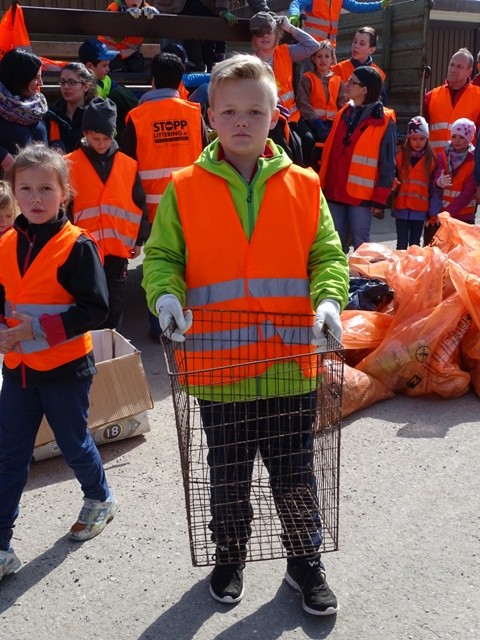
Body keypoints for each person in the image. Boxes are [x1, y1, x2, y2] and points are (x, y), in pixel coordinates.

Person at [142, 53, 349, 615]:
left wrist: (330, 300)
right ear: (209, 116)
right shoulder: (185, 188)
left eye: (255, 111)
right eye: (229, 110)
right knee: (228, 475)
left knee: (294, 472)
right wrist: (164, 296)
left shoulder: (304, 185)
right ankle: (230, 554)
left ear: (275, 115)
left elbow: (327, 256)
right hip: (220, 369)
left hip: (289, 365)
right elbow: (162, 257)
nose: (242, 121)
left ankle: (305, 561)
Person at [0, 144, 118, 581]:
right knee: (9, 455)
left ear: (64, 193)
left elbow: (96, 309)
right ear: (13, 193)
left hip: (65, 370)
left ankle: (99, 498)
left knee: (72, 443)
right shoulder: (5, 243)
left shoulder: (77, 246)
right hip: (18, 370)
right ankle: (1, 546)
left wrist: (33, 330)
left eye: (46, 189)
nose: (35, 198)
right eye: (26, 189)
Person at [122, 52, 209, 341]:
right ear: (180, 80)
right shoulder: (194, 114)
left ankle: (160, 325)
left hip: (150, 208)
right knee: (188, 261)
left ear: (152, 81)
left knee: (159, 263)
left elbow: (125, 167)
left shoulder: (136, 118)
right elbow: (207, 158)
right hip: (190, 202)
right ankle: (192, 320)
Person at [67, 97, 149, 330]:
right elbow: (64, 209)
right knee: (88, 299)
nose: (101, 143)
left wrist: (139, 240)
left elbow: (139, 204)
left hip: (116, 249)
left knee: (115, 300)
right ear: (85, 133)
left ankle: (113, 339)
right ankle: (91, 342)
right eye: (96, 139)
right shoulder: (69, 164)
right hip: (84, 248)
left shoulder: (128, 164)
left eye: (106, 138)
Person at [319, 66, 396, 252]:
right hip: (335, 190)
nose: (346, 84)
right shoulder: (343, 112)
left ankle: (360, 273)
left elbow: (387, 163)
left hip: (361, 196)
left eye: (352, 82)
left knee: (361, 246)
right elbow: (330, 151)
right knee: (334, 245)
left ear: (364, 90)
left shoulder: (385, 119)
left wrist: (379, 199)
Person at [250, 12, 319, 125]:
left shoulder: (286, 52)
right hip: (269, 120)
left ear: (276, 34)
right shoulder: (250, 63)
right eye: (260, 33)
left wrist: (290, 28)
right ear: (254, 38)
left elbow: (313, 46)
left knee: (309, 136)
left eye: (269, 31)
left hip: (293, 117)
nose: (265, 36)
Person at [390, 116, 440, 250]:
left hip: (419, 209)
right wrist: (392, 184)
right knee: (401, 244)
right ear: (409, 139)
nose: (418, 142)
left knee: (415, 245)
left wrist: (433, 213)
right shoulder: (400, 157)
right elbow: (392, 179)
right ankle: (400, 264)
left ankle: (412, 264)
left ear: (427, 139)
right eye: (414, 139)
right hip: (401, 207)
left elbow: (433, 189)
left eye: (422, 139)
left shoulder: (432, 160)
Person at [296, 40, 346, 168]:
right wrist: (315, 121)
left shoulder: (338, 81)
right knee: (308, 140)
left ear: (332, 59)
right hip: (310, 122)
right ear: (313, 59)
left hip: (331, 124)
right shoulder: (307, 78)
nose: (323, 60)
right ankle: (306, 168)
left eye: (327, 56)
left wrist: (338, 123)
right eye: (319, 56)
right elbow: (303, 103)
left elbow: (342, 105)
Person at [78, 38, 139, 138]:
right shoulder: (81, 85)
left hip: (110, 129)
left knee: (119, 92)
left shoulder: (106, 80)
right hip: (92, 132)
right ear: (89, 66)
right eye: (104, 65)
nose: (108, 69)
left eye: (108, 65)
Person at [0, 49, 48, 176]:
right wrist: (2, 155)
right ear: (20, 77)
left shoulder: (38, 106)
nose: (41, 83)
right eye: (36, 77)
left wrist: (57, 145)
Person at [424, 48, 480, 152]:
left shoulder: (478, 96)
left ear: (469, 71)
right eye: (452, 64)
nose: (453, 69)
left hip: (466, 162)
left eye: (459, 66)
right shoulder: (431, 97)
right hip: (435, 161)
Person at [288, 0, 390, 47]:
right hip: (311, 47)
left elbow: (357, 6)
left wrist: (380, 4)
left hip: (329, 48)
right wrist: (294, 14)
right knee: (309, 79)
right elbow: (296, 3)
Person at [45, 62, 97, 155]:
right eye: (63, 82)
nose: (66, 87)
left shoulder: (95, 115)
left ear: (86, 86)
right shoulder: (50, 115)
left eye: (72, 82)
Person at [434, 117, 477, 224]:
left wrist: (448, 212)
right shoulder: (443, 155)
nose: (457, 140)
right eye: (454, 136)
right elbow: (435, 179)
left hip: (464, 215)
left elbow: (468, 193)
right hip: (443, 212)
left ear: (469, 138)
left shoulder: (474, 160)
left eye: (462, 137)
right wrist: (438, 182)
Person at [99, 0, 160, 73]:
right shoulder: (114, 7)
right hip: (109, 50)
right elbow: (117, 39)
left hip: (131, 52)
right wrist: (126, 18)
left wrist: (155, 17)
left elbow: (155, 35)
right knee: (119, 72)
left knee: (139, 71)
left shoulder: (147, 9)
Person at [331, 26, 387, 104]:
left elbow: (381, 104)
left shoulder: (379, 75)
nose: (356, 46)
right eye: (355, 42)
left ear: (371, 50)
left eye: (362, 44)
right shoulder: (337, 69)